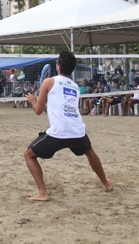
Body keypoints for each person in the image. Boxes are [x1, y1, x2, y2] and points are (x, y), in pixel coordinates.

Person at [24, 50, 114, 201]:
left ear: (58, 66)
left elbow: (38, 111)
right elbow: (60, 108)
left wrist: (33, 100)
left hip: (59, 132)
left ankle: (43, 193)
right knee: (90, 152)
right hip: (78, 131)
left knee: (28, 155)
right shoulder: (74, 86)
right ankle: (106, 184)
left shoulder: (48, 82)